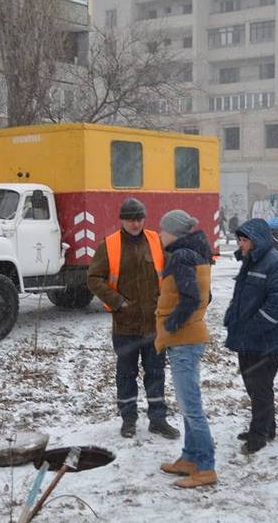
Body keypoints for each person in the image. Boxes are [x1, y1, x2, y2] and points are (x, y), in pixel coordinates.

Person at [86, 198, 180, 440]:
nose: (135, 223)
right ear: (122, 220)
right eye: (130, 219)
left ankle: (158, 419)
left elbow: (170, 273)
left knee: (156, 373)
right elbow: (94, 278)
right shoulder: (109, 245)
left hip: (153, 323)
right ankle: (128, 419)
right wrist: (118, 302)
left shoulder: (156, 241)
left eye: (139, 218)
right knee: (126, 374)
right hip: (125, 324)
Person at [223, 218, 278, 455]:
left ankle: (259, 435)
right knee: (255, 386)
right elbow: (241, 296)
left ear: (258, 241)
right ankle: (267, 427)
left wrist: (254, 327)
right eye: (240, 240)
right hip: (249, 337)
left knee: (260, 387)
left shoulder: (276, 265)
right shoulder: (252, 262)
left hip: (267, 341)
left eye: (245, 240)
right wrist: (231, 317)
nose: (241, 244)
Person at [156, 209, 217, 488]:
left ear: (174, 233)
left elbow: (192, 298)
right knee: (187, 403)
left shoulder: (181, 256)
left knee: (191, 407)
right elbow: (207, 295)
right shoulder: (197, 254)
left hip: (184, 341)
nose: (159, 234)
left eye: (162, 230)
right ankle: (190, 457)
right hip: (189, 339)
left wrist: (171, 325)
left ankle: (205, 467)